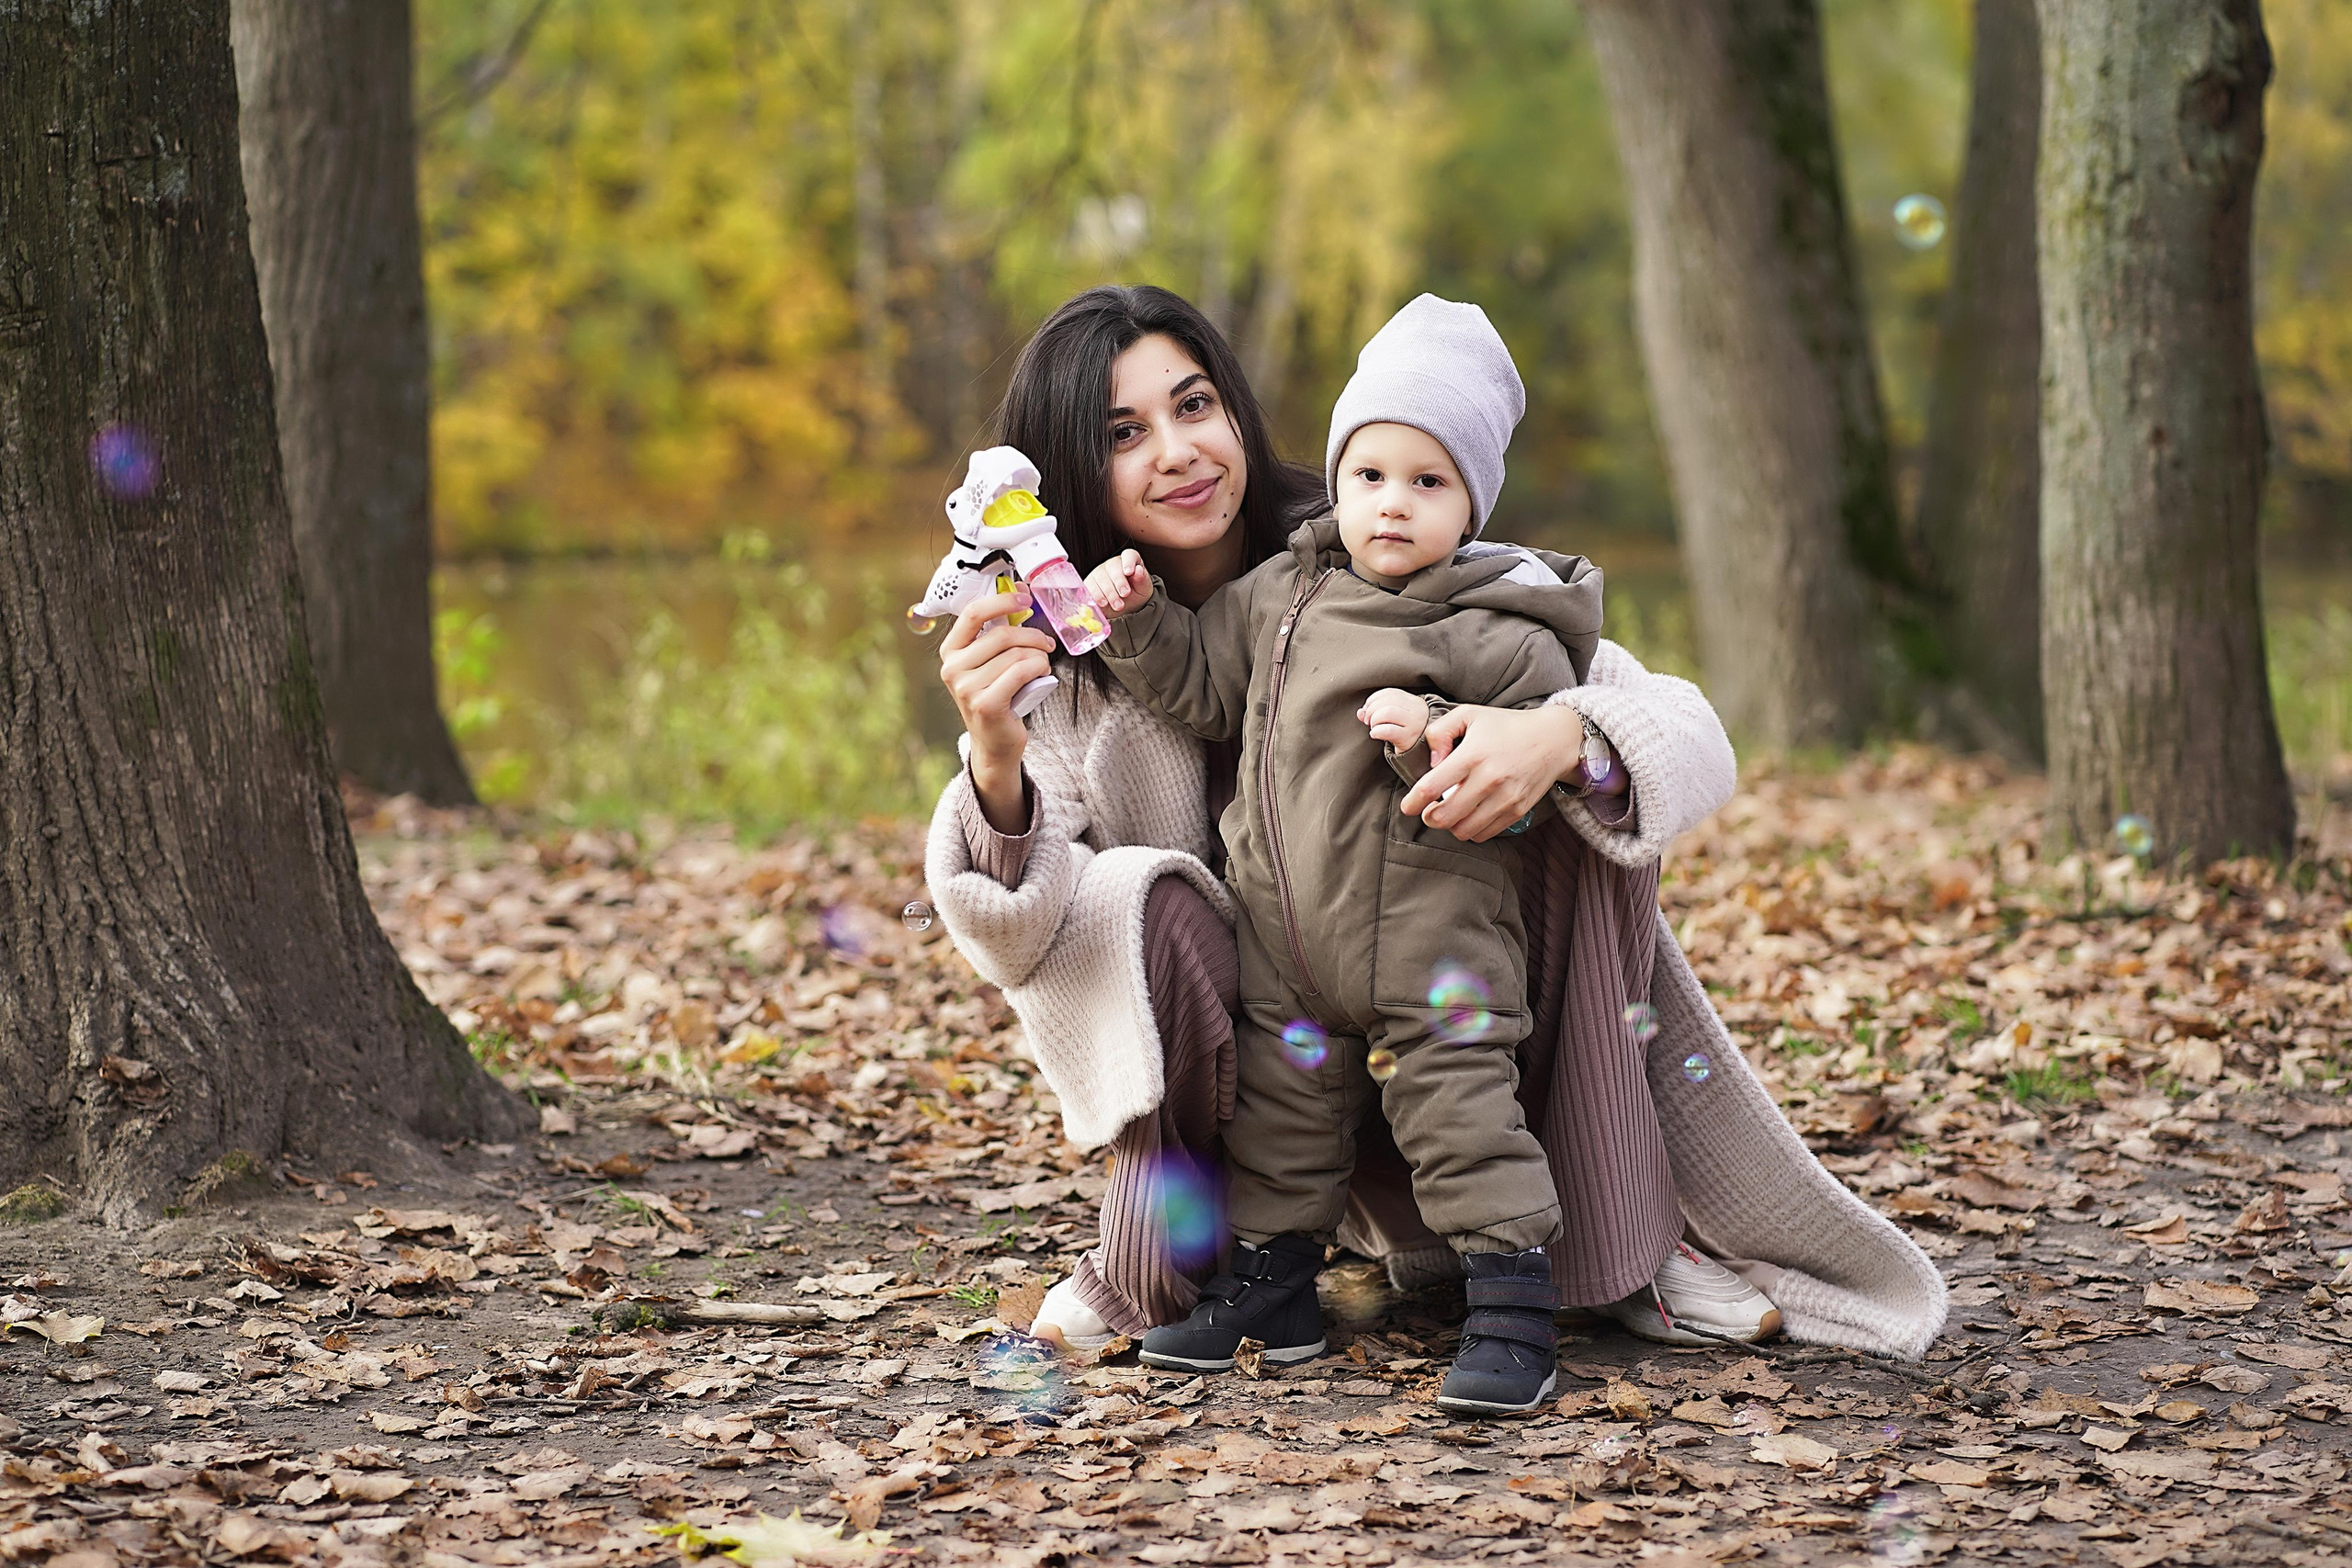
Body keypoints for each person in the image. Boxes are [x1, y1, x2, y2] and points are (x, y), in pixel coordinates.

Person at [922, 284, 1947, 1376]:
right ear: (1069, 474)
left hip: (1451, 1023)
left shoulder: (1384, 531)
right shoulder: (1075, 648)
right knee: (1138, 898)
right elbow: (1021, 942)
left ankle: (1618, 1245)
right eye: (1124, 433)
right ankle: (1173, 1261)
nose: (1177, 450)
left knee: (1577, 799)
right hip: (1277, 1059)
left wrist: (1555, 736)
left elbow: (1683, 731)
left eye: (1195, 405)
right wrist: (993, 755)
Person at [1083, 295, 1607, 1416]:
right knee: (1276, 1123)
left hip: (1437, 947)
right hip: (1286, 945)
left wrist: (1436, 733)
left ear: (1471, 503)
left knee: (1464, 1119)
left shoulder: (1496, 630)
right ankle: (1273, 1289)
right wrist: (1133, 622)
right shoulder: (1281, 594)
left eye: (1429, 483)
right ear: (1337, 478)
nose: (1393, 505)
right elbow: (1201, 688)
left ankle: (1512, 1308)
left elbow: (1530, 795)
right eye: (1370, 476)